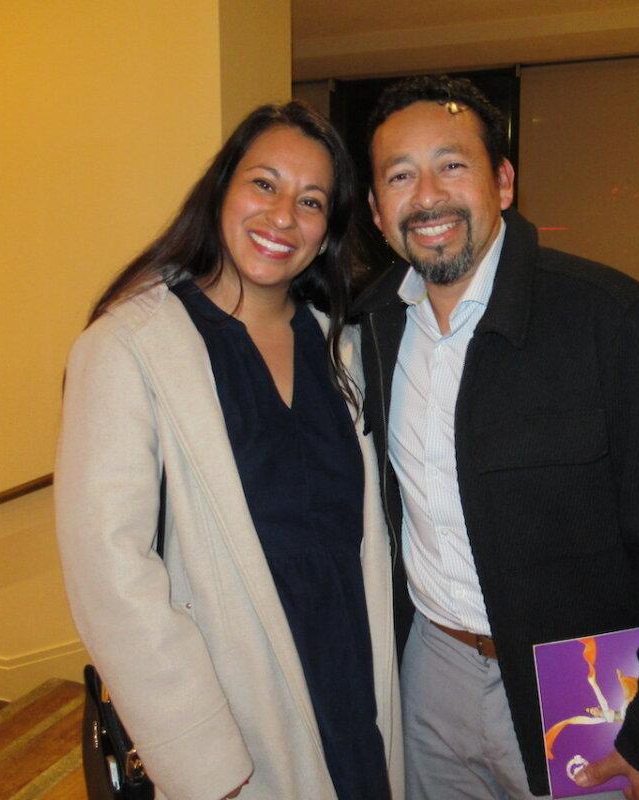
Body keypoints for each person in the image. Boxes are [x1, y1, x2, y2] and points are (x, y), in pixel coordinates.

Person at [353, 75, 639, 800]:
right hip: (428, 673)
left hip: (579, 685)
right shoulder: (367, 329)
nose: (428, 195)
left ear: (503, 182)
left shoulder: (616, 322)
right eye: (400, 176)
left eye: (452, 164)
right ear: (377, 212)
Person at [55, 101, 402, 800]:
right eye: (264, 184)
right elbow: (110, 573)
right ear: (221, 190)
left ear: (328, 231)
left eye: (311, 201)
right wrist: (203, 760)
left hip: (354, 685)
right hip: (234, 716)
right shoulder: (130, 347)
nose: (283, 216)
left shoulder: (345, 348)